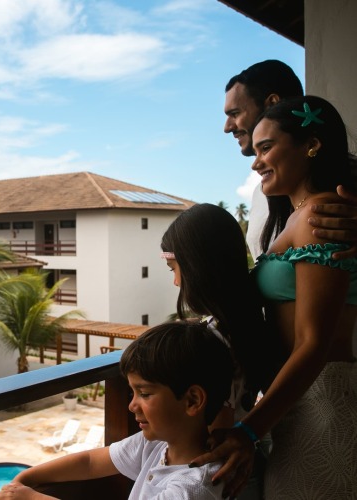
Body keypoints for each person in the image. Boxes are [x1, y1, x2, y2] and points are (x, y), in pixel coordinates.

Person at [193, 96, 357, 499]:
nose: (256, 162)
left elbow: (313, 342)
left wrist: (248, 430)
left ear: (311, 145)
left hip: (322, 398)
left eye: (266, 148)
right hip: (299, 398)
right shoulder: (299, 216)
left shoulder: (320, 216)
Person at [0, 321, 234, 500]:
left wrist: (30, 497)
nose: (132, 405)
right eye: (132, 393)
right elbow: (90, 462)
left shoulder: (194, 488)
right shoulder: (156, 445)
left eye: (144, 393)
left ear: (192, 401)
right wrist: (26, 477)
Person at [161, 203, 276, 500]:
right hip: (249, 468)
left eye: (175, 269)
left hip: (223, 479)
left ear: (196, 266)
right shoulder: (248, 323)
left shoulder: (213, 339)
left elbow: (215, 432)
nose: (175, 281)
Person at [223, 59, 357, 259]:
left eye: (235, 113)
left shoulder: (343, 187)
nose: (227, 127)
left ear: (272, 103)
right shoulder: (264, 191)